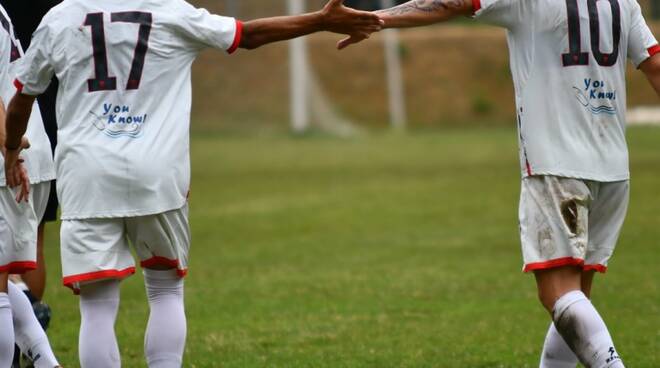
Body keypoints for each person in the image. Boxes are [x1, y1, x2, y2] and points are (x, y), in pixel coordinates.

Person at [3, 0, 382, 366]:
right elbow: (247, 35)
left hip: (87, 176)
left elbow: (23, 97)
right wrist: (318, 20)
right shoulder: (170, 10)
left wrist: (10, 154)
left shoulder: (62, 16)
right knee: (165, 289)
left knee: (97, 306)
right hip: (159, 174)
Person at [339, 0, 660, 367]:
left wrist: (376, 19)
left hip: (556, 164)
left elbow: (452, 3)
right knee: (576, 296)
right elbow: (656, 66)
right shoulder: (622, 2)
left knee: (558, 294)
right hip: (613, 170)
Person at [0, 4, 61, 367]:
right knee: (5, 278)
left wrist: (9, 151)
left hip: (12, 156)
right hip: (28, 150)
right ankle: (45, 361)